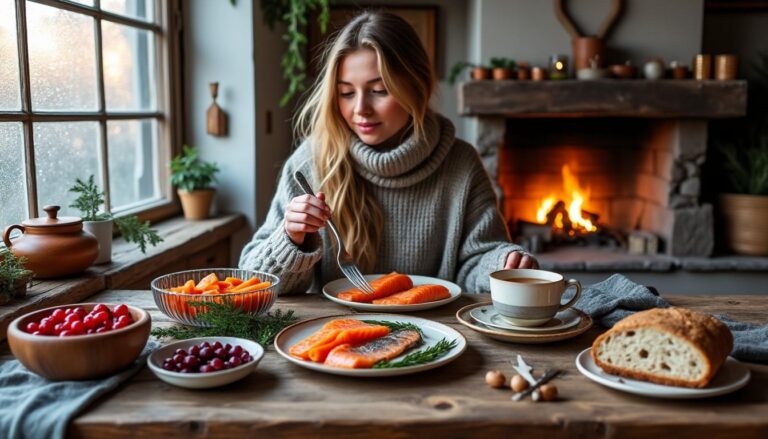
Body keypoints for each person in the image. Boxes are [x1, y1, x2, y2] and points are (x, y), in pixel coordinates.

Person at [239, 11, 538, 294]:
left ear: (415, 86)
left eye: (379, 90)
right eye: (345, 93)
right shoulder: (311, 163)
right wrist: (291, 240)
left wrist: (502, 263)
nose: (359, 110)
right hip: (333, 336)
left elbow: (477, 261)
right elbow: (254, 280)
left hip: (438, 338)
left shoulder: (461, 164)